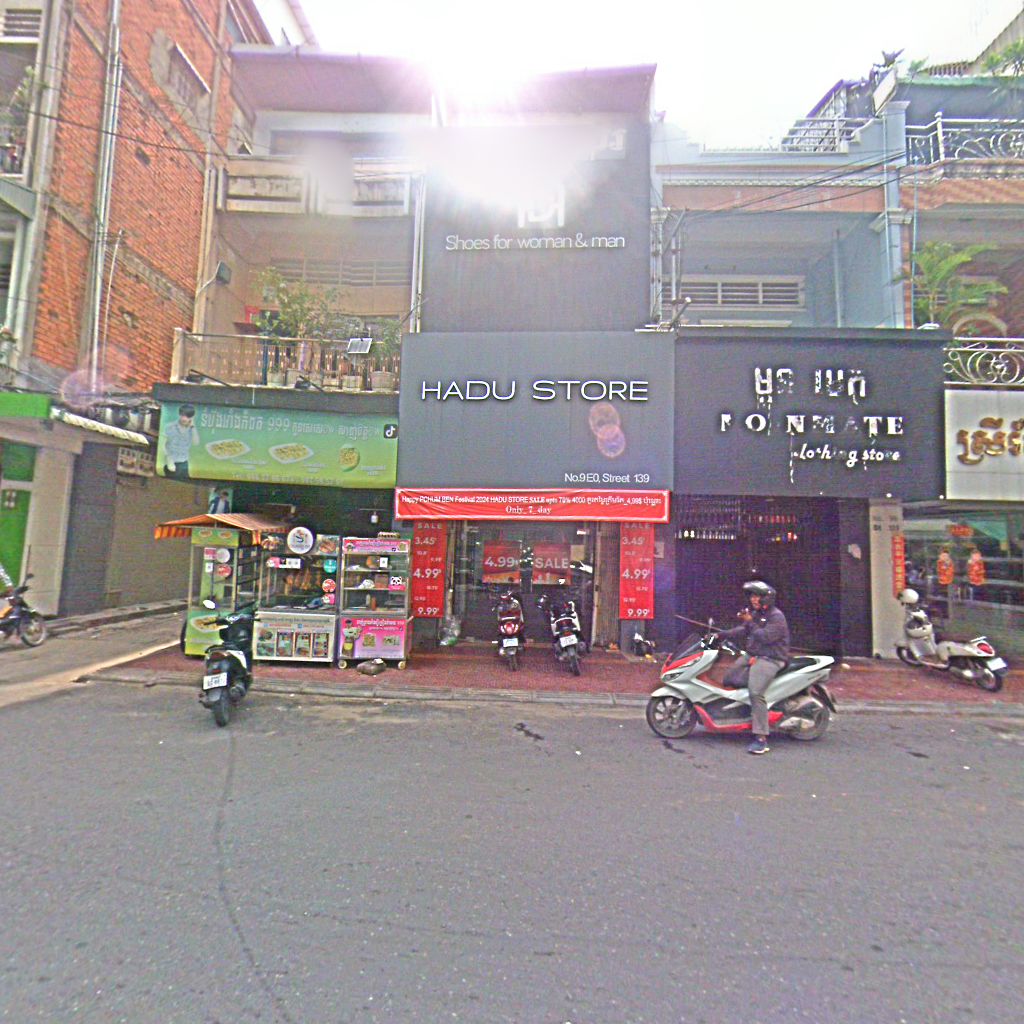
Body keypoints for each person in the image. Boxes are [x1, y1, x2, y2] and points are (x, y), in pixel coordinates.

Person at [718, 580, 790, 755]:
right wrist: (720, 634)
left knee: (756, 692)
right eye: (752, 596)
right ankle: (743, 713)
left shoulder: (776, 617)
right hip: (753, 655)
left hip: (770, 659)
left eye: (757, 596)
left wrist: (750, 622)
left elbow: (765, 637)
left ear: (767, 598)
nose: (753, 599)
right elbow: (743, 630)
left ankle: (761, 738)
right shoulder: (757, 614)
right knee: (729, 678)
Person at [163, 404, 199, 481]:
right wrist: (168, 459)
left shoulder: (191, 429)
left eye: (188, 416)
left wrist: (193, 427)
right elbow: (162, 444)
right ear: (179, 415)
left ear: (192, 417)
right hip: (171, 462)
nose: (184, 418)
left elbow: (196, 442)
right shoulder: (170, 427)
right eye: (183, 415)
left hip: (184, 462)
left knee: (187, 484)